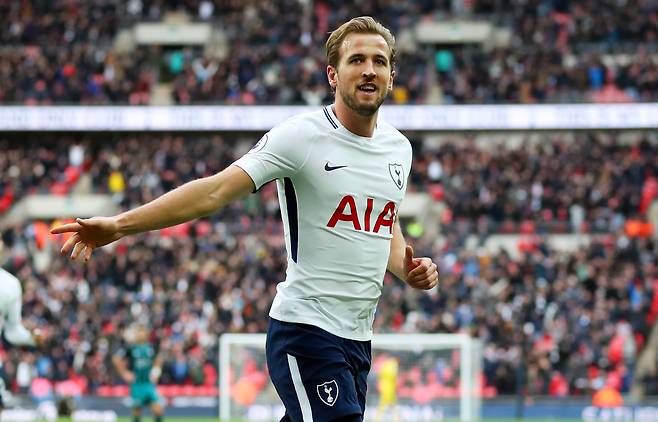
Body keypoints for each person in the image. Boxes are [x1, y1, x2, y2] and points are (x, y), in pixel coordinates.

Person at [51, 16, 439, 422]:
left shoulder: (399, 149)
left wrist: (407, 269)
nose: (369, 69)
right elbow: (214, 191)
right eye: (356, 59)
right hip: (307, 331)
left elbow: (385, 224)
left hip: (357, 340)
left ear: (392, 77)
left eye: (379, 61)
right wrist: (119, 225)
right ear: (333, 74)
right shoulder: (301, 137)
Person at [0, 268, 46, 412]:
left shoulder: (9, 284)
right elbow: (13, 333)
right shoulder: (9, 283)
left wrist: (32, 339)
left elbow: (12, 332)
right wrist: (32, 339)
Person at [112, 324, 164, 422]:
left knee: (158, 410)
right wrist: (124, 373)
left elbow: (159, 359)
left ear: (147, 334)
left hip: (149, 384)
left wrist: (156, 371)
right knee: (137, 411)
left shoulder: (151, 347)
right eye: (139, 332)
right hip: (137, 384)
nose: (141, 334)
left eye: (142, 331)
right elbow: (116, 359)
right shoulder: (130, 348)